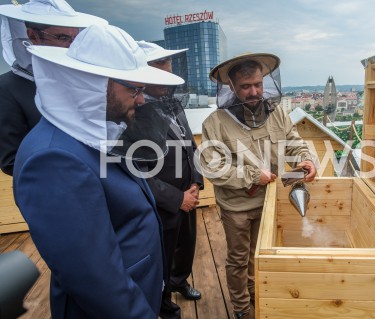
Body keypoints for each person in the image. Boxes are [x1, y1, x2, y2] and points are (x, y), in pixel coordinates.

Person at [13, 24, 184, 318]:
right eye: (134, 88)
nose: (141, 99)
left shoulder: (89, 133)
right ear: (93, 83)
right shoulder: (52, 159)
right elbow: (94, 278)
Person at [200, 53, 317, 319]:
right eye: (245, 86)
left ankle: (255, 293)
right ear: (231, 87)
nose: (253, 92)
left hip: (270, 201)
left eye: (257, 84)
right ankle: (242, 309)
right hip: (237, 208)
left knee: (259, 254)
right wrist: (253, 175)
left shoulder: (278, 114)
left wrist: (305, 159)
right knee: (238, 260)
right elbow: (213, 167)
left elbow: (294, 141)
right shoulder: (214, 124)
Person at [135, 41, 203, 319]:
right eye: (159, 65)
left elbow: (191, 147)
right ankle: (163, 302)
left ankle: (179, 282)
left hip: (189, 192)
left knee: (186, 245)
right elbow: (137, 171)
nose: (167, 70)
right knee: (160, 253)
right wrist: (177, 199)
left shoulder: (174, 103)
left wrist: (196, 182)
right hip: (162, 202)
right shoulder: (134, 112)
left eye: (169, 64)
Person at [0, 0, 107, 176]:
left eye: (75, 38)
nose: (71, 46)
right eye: (63, 38)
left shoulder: (81, 78)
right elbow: (11, 160)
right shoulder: (5, 89)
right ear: (33, 36)